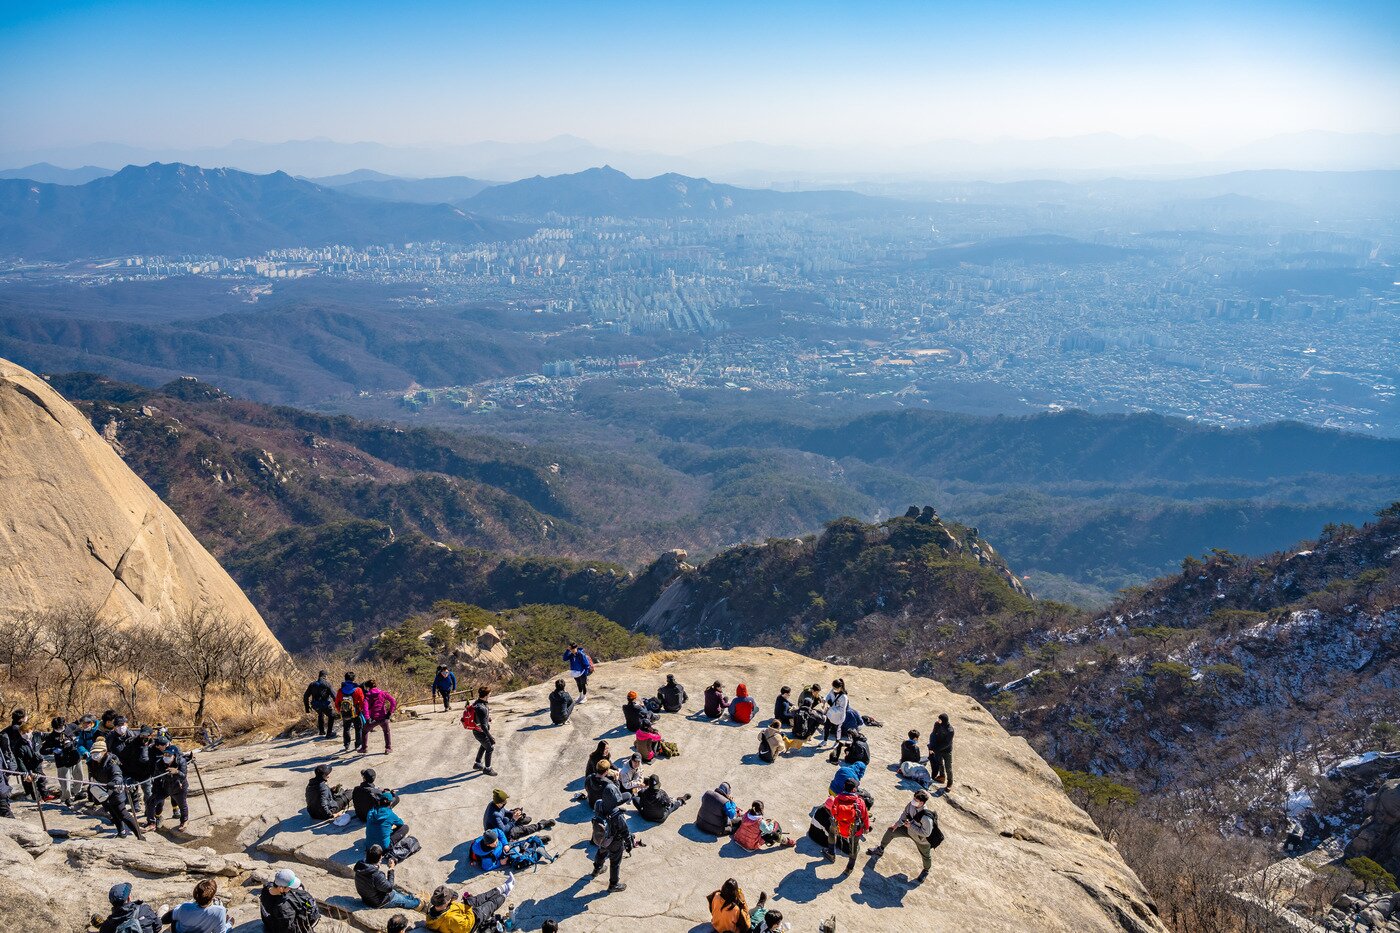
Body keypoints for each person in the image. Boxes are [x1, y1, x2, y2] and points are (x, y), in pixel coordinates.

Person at [868, 788, 942, 881]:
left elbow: (926, 833)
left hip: (921, 839)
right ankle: (880, 849)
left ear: (922, 803)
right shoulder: (911, 805)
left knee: (926, 856)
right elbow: (905, 814)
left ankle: (926, 870)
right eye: (914, 798)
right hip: (908, 830)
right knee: (891, 831)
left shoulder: (926, 818)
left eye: (916, 800)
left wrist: (911, 826)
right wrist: (896, 824)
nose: (913, 801)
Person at [86, 737, 144, 839]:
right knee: (113, 813)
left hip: (115, 791)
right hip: (101, 791)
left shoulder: (111, 762)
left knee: (123, 814)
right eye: (93, 752)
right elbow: (91, 776)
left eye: (97, 752)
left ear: (105, 751)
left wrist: (114, 783)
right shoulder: (91, 762)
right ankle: (121, 831)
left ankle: (139, 835)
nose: (95, 754)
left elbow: (117, 775)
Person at [424, 877, 516, 933]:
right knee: (489, 906)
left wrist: (466, 903)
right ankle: (506, 893)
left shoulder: (434, 910)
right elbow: (467, 926)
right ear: (446, 902)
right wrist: (469, 907)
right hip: (471, 921)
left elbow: (453, 908)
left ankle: (503, 887)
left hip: (461, 912)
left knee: (480, 898)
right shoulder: (451, 919)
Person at [354, 843, 422, 910]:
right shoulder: (376, 875)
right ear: (379, 858)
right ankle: (418, 903)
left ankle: (410, 897)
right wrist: (391, 869)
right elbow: (389, 888)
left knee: (397, 894)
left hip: (366, 898)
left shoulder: (360, 866)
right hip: (378, 902)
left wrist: (376, 865)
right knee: (400, 899)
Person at [3, 709, 51, 801]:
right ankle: (35, 797)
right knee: (28, 779)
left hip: (32, 757)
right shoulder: (16, 729)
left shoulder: (10, 728)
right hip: (21, 756)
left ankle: (42, 795)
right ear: (21, 718)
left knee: (40, 777)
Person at [824, 778, 871, 874]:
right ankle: (849, 868)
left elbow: (833, 813)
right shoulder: (860, 802)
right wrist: (866, 828)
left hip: (839, 828)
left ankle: (831, 853)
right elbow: (865, 817)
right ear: (854, 790)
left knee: (832, 833)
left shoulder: (837, 798)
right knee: (853, 846)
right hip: (854, 831)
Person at [590, 799, 634, 893]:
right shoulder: (617, 815)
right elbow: (625, 831)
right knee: (615, 863)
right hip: (615, 842)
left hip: (602, 838)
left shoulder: (598, 804)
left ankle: (597, 870)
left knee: (601, 852)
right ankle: (613, 885)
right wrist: (629, 844)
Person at [146, 737, 190, 830]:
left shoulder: (181, 761)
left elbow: (183, 776)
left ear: (174, 755)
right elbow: (156, 778)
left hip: (179, 787)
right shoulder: (159, 763)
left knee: (182, 804)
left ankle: (184, 821)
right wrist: (155, 791)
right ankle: (151, 823)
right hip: (165, 787)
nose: (166, 756)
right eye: (165, 754)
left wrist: (176, 772)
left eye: (169, 755)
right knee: (151, 802)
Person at [162, 878, 234, 933]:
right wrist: (229, 924)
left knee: (175, 917)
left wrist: (160, 921)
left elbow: (167, 918)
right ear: (213, 896)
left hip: (179, 931)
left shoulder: (185, 907)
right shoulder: (220, 911)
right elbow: (221, 932)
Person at [259, 868, 320, 933]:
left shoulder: (266, 888)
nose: (291, 889)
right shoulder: (284, 908)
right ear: (281, 888)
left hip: (268, 921)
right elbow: (290, 930)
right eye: (289, 887)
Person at [484, 787, 555, 841]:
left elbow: (504, 811)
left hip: (502, 823)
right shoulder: (495, 815)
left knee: (522, 819)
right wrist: (514, 819)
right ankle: (540, 825)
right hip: (501, 835)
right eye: (504, 801)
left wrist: (513, 813)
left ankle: (519, 820)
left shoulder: (494, 804)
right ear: (499, 803)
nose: (506, 802)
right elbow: (504, 830)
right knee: (523, 829)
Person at [40, 716, 81, 806]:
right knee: (65, 782)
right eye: (56, 728)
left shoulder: (71, 727)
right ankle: (66, 798)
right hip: (62, 761)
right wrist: (53, 749)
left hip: (75, 757)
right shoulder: (51, 737)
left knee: (79, 778)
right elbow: (42, 750)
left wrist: (75, 741)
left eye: (60, 727)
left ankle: (76, 793)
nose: (59, 729)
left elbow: (80, 732)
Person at [367, 790, 419, 862]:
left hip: (369, 845)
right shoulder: (390, 814)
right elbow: (401, 823)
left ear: (379, 801)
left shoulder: (370, 812)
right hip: (383, 847)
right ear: (391, 803)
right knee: (405, 827)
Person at [361, 679, 397, 754]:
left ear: (368, 687)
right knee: (386, 731)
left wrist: (367, 718)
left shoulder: (367, 696)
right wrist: (390, 712)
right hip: (383, 717)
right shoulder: (382, 693)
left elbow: (365, 708)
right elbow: (393, 701)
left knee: (364, 731)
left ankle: (364, 748)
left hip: (373, 718)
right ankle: (388, 748)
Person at [335, 672, 367, 753]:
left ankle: (346, 745)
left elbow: (337, 703)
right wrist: (360, 710)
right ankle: (357, 745)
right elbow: (362, 701)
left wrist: (341, 711)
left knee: (346, 729)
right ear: (353, 679)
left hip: (345, 713)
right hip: (356, 713)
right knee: (358, 728)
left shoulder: (340, 690)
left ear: (345, 679)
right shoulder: (358, 690)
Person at [468, 687, 496, 776]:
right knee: (490, 748)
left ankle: (477, 763)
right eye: (489, 694)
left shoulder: (477, 703)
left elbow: (479, 717)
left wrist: (487, 718)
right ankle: (488, 769)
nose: (490, 695)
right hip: (481, 732)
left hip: (476, 731)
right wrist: (490, 737)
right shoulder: (481, 708)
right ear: (486, 695)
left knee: (484, 745)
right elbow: (483, 726)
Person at [303, 670, 336, 739]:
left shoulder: (312, 684)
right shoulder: (327, 684)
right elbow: (334, 696)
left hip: (315, 705)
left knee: (320, 713)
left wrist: (307, 708)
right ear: (325, 676)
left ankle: (321, 731)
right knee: (332, 715)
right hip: (325, 704)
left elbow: (305, 696)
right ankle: (329, 733)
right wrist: (339, 705)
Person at [929, 713, 954, 791]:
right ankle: (942, 776)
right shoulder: (937, 724)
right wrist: (931, 746)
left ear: (943, 720)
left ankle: (950, 782)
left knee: (948, 767)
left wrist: (936, 749)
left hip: (946, 750)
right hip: (937, 748)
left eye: (939, 719)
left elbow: (947, 743)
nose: (938, 720)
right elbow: (933, 735)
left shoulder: (950, 730)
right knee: (940, 763)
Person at [823, 679, 850, 745]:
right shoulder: (833, 690)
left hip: (838, 717)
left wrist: (830, 709)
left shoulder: (844, 697)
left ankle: (837, 742)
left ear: (840, 688)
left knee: (837, 730)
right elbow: (828, 695)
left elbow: (841, 709)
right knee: (826, 727)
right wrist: (824, 699)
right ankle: (825, 741)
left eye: (835, 688)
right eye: (833, 687)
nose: (833, 689)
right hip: (830, 715)